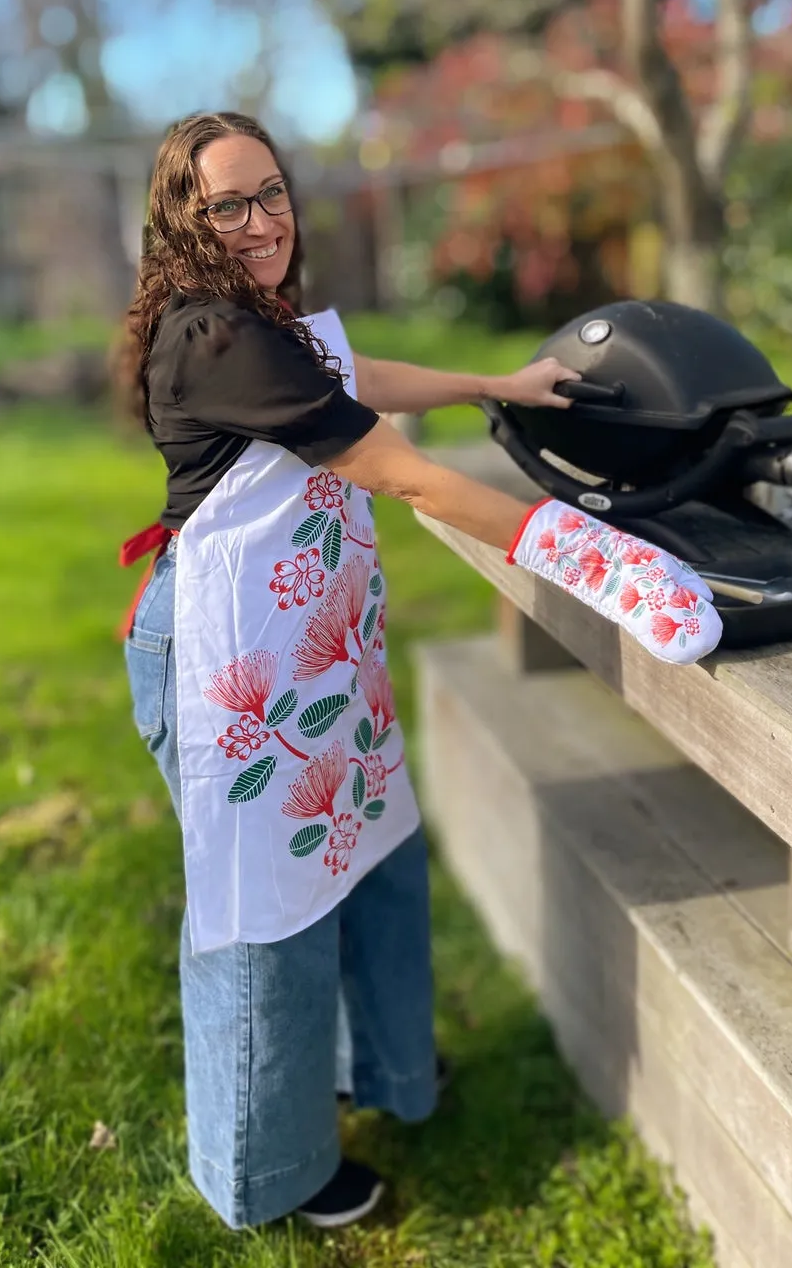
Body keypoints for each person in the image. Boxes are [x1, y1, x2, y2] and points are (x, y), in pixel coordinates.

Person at [113, 110, 720, 1232]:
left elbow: (352, 369)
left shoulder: (264, 321)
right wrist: (589, 557)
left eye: (272, 192)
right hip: (231, 671)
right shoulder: (210, 335)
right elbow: (401, 475)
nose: (261, 222)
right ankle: (274, 1169)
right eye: (228, 205)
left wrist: (497, 380)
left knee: (366, 856)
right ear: (183, 222)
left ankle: (378, 1068)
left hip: (314, 659)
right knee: (272, 915)